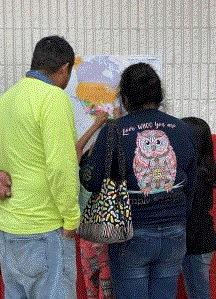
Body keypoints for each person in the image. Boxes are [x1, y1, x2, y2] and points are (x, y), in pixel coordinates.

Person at [79, 62, 197, 299]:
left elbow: (91, 181)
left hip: (132, 231)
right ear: (160, 95)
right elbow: (191, 185)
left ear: (125, 98)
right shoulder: (182, 129)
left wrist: (85, 163)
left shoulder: (114, 130)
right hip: (175, 230)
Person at [0, 35, 80, 299]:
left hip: (8, 229)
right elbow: (61, 167)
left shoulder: (6, 99)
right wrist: (71, 217)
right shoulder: (53, 98)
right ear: (64, 68)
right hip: (45, 230)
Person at [76, 110, 117, 299]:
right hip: (110, 241)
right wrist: (117, 122)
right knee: (107, 292)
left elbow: (76, 149)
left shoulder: (85, 165)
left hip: (86, 241)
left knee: (91, 290)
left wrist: (96, 125)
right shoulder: (117, 169)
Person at [181, 117, 216, 299]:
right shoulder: (203, 170)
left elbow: (193, 215)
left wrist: (184, 245)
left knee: (197, 293)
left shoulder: (197, 176)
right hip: (200, 241)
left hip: (195, 244)